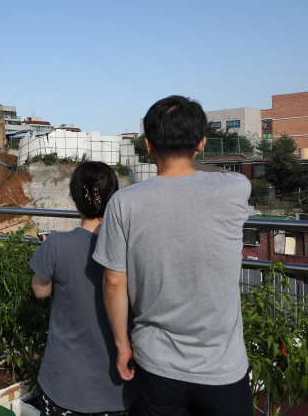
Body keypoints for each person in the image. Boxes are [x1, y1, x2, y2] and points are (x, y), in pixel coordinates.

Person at [95, 95, 253, 416]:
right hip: (223, 368)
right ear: (202, 144)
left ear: (148, 145)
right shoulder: (236, 186)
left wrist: (122, 346)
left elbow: (113, 282)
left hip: (156, 365)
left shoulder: (124, 203)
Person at [30, 161, 135, 416]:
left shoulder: (56, 244)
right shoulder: (130, 247)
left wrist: (48, 255)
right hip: (120, 390)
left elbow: (40, 291)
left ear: (76, 199)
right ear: (113, 196)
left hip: (64, 386)